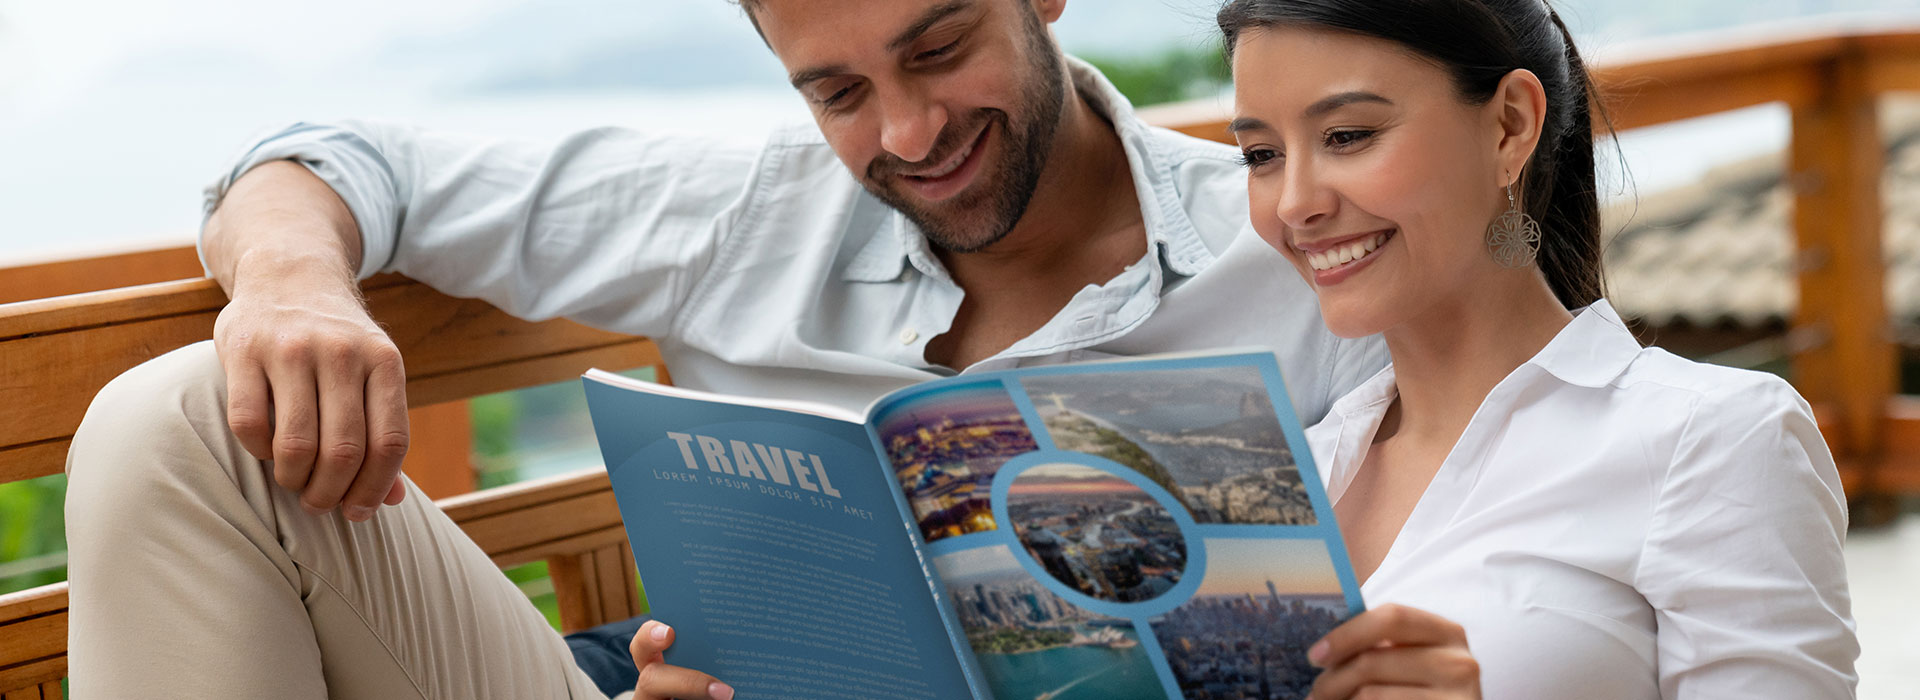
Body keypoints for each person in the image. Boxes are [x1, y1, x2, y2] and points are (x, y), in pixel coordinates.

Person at [61, 0, 1386, 698]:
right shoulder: (742, 210)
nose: (910, 131)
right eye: (840, 92)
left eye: (938, 49)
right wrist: (298, 289)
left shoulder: (1291, 249)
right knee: (176, 418)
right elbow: (336, 161)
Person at [1211, 0, 1853, 697]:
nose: (1294, 203)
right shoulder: (1280, 482)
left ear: (1510, 124)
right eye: (1262, 155)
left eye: (1348, 135)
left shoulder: (1714, 441)